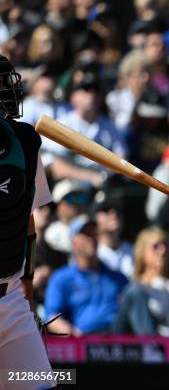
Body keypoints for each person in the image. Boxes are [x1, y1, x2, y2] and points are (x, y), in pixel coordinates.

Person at [0, 55, 56, 389]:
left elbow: (28, 224)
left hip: (10, 302)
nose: (6, 93)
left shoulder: (24, 142)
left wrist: (28, 289)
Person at [45, 217, 128, 335]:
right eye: (86, 234)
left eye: (94, 233)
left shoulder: (118, 278)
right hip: (84, 339)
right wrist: (72, 333)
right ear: (73, 242)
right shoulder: (61, 278)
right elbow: (52, 318)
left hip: (118, 341)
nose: (92, 239)